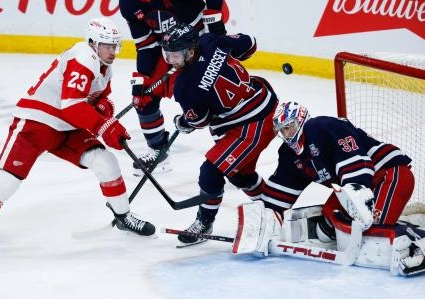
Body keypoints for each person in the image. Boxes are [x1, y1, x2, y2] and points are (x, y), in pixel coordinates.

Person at [0, 18, 156, 250]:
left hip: (68, 128)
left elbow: (94, 101)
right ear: (93, 43)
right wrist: (105, 126)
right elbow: (71, 105)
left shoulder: (105, 68)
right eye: (108, 46)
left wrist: (103, 109)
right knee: (7, 180)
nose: (113, 51)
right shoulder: (83, 58)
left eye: (115, 46)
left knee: (106, 162)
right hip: (37, 122)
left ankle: (123, 216)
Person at [233, 101, 425, 276]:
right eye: (281, 131)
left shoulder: (322, 127)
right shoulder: (289, 155)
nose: (286, 134)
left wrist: (359, 205)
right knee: (330, 215)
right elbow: (278, 196)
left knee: (373, 233)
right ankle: (410, 220)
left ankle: (421, 245)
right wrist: (260, 218)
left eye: (288, 127)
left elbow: (359, 168)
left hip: (389, 174)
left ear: (300, 120)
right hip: (355, 187)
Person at [160, 23, 278, 245]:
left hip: (251, 125)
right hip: (264, 101)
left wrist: (182, 122)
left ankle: (204, 222)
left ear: (191, 50)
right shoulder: (210, 41)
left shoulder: (184, 86)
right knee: (239, 174)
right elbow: (249, 44)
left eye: (175, 55)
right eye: (167, 54)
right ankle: (273, 207)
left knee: (211, 172)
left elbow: (200, 121)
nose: (171, 60)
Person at [119, 0, 226, 176]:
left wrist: (214, 16)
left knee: (211, 95)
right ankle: (158, 150)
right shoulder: (128, 4)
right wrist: (143, 77)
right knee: (145, 96)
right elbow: (146, 45)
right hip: (168, 49)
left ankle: (230, 151)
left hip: (197, 41)